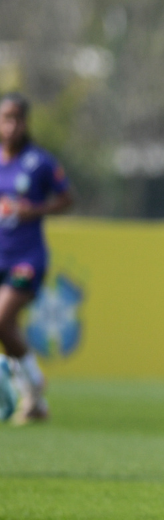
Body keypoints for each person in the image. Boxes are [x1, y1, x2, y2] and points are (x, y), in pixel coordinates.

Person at [0, 92, 74, 424]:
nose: (12, 125)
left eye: (18, 118)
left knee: (2, 320)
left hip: (27, 257)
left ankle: (30, 379)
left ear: (26, 123)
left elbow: (67, 199)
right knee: (7, 329)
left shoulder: (39, 162)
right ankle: (33, 400)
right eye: (6, 118)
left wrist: (37, 210)